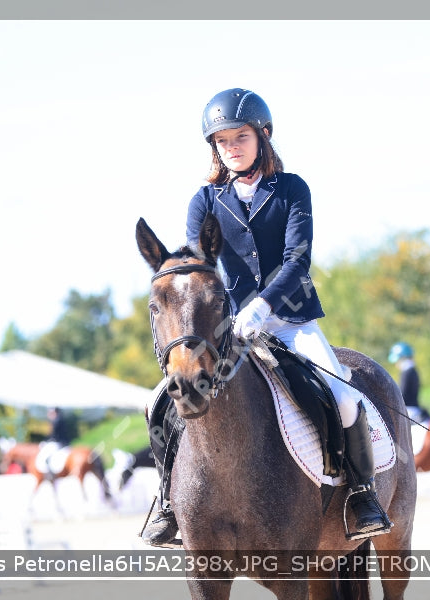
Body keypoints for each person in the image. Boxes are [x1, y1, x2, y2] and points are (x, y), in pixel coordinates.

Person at [142, 88, 392, 546]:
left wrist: (263, 306)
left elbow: (298, 259)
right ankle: (169, 503)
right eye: (222, 140)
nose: (232, 146)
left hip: (291, 322)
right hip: (228, 329)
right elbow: (201, 266)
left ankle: (361, 496)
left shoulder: (292, 189)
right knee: (161, 401)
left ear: (263, 135)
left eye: (240, 136)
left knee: (343, 397)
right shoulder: (205, 200)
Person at [388, 342, 430, 423]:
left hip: (410, 410)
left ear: (403, 358)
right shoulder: (412, 370)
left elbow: (402, 395)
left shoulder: (407, 372)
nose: (396, 364)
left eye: (397, 360)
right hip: (414, 408)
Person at [35, 407, 73, 479]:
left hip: (59, 443)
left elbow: (53, 435)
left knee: (47, 456)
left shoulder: (56, 421)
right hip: (62, 442)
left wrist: (46, 442)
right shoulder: (59, 420)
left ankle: (50, 473)